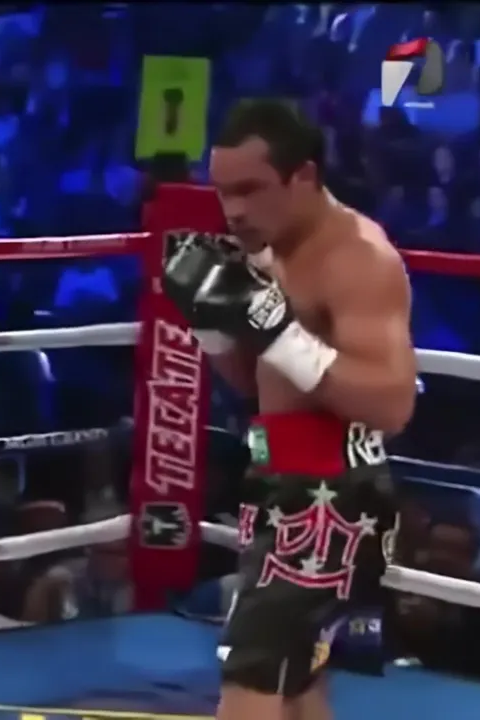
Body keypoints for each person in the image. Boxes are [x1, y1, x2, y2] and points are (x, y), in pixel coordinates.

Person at [161, 100, 414, 720]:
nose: (233, 210)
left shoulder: (356, 257)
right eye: (223, 192)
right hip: (277, 482)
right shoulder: (270, 252)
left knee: (249, 675)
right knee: (295, 684)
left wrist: (280, 332)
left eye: (251, 189)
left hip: (333, 498)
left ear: (302, 176)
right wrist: (211, 324)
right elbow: (260, 383)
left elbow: (392, 403)